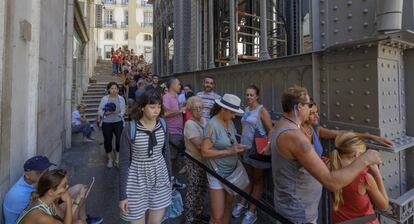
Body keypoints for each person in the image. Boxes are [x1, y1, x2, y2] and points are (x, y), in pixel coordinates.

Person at [270, 86, 382, 223]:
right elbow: (332, 182)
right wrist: (365, 159)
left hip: (288, 205)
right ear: (300, 107)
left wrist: (368, 136)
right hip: (299, 213)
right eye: (309, 105)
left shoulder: (280, 126)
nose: (311, 109)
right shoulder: (296, 138)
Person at [119, 92, 172, 224]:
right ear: (142, 107)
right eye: (152, 107)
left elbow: (166, 153)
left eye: (159, 107)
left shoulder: (163, 125)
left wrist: (170, 177)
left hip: (160, 178)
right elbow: (124, 162)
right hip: (136, 180)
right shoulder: (130, 129)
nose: (157, 111)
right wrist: (122, 195)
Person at [3, 156, 102, 224]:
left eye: (47, 170)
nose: (45, 174)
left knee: (80, 218)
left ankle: (84, 219)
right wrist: (71, 202)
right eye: (40, 172)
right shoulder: (19, 195)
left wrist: (76, 201)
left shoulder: (45, 199)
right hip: (40, 217)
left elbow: (63, 217)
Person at [201, 94, 248, 224]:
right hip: (217, 173)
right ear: (223, 109)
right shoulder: (212, 125)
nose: (234, 116)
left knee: (228, 206)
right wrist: (229, 151)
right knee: (217, 215)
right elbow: (205, 152)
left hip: (231, 172)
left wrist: (237, 147)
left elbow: (230, 142)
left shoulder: (230, 122)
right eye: (232, 112)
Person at [232, 85, 273, 224]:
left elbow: (271, 130)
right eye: (247, 94)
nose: (249, 97)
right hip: (246, 149)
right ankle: (243, 203)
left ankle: (252, 211)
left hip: (258, 150)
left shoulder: (262, 110)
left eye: (251, 95)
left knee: (257, 180)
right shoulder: (247, 109)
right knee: (248, 178)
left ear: (257, 96)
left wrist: (267, 146)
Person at [331, 132, 388, 224]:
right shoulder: (364, 178)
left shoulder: (331, 166)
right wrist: (377, 174)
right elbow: (384, 205)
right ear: (357, 155)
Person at [301, 103, 393, 157]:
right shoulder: (297, 133)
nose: (317, 116)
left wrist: (371, 137)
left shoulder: (315, 130)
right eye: (312, 113)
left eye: (317, 112)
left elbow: (342, 134)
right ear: (303, 113)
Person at [16, 169, 85, 224]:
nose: (67, 187)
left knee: (80, 222)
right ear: (51, 192)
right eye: (64, 186)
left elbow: (64, 218)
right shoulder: (42, 217)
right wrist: (69, 201)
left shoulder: (49, 201)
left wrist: (74, 200)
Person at [183, 96, 208, 224]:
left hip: (204, 162)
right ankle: (189, 217)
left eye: (200, 108)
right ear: (190, 110)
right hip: (194, 161)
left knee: (202, 188)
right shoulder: (189, 124)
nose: (199, 111)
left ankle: (199, 213)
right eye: (195, 108)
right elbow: (199, 145)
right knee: (193, 188)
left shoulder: (204, 120)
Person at [162, 78, 186, 189]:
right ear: (172, 85)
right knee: (171, 159)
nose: (180, 86)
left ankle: (172, 180)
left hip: (178, 131)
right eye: (178, 84)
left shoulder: (175, 97)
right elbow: (165, 113)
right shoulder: (166, 97)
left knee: (175, 159)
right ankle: (169, 183)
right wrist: (180, 110)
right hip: (172, 132)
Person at [98, 82, 126, 168]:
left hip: (118, 122)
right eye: (112, 88)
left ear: (118, 90)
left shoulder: (121, 98)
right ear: (108, 90)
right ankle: (110, 159)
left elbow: (123, 110)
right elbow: (99, 110)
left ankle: (117, 159)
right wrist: (107, 113)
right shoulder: (104, 99)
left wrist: (120, 113)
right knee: (108, 141)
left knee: (119, 141)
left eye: (115, 88)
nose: (114, 90)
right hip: (106, 123)